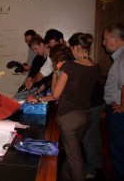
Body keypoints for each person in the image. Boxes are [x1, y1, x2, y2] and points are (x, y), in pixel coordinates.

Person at [30, 33, 101, 181]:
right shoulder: (96, 67)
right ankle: (64, 177)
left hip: (70, 118)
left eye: (71, 47)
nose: (71, 51)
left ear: (76, 47)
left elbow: (55, 94)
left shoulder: (69, 66)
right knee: (73, 154)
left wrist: (56, 71)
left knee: (74, 158)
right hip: (86, 115)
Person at [103, 23, 124, 181]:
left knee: (118, 152)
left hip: (119, 113)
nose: (104, 43)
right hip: (117, 110)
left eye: (105, 39)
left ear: (116, 39)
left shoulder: (122, 58)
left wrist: (122, 107)